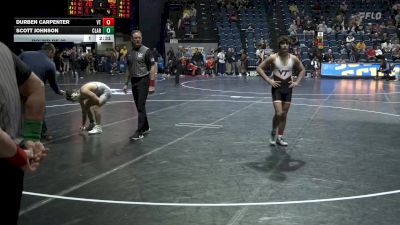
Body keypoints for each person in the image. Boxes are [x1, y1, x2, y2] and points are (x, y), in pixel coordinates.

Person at [0, 41, 47, 224]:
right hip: (13, 165)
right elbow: (37, 86)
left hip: (11, 155)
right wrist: (31, 139)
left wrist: (19, 155)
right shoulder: (3, 49)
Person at [256, 36, 306, 146]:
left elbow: (302, 70)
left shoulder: (293, 58)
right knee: (278, 113)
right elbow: (259, 68)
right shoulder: (273, 57)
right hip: (277, 88)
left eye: (286, 44)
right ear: (279, 45)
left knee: (284, 114)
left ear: (289, 45)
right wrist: (269, 80)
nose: (284, 45)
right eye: (282, 43)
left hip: (288, 89)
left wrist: (297, 82)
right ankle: (273, 132)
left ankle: (280, 137)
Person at [19, 43, 65, 141]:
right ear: (51, 52)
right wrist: (59, 92)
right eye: (53, 54)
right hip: (34, 91)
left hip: (18, 87)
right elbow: (53, 83)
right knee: (40, 111)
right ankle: (42, 134)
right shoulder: (50, 64)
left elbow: (13, 65)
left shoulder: (25, 54)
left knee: (18, 111)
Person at [123, 30, 156, 140]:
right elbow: (128, 69)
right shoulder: (129, 53)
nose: (137, 39)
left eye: (139, 38)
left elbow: (152, 67)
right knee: (138, 106)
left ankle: (140, 131)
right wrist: (125, 83)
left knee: (141, 106)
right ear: (132, 39)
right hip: (134, 81)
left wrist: (152, 84)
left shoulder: (146, 51)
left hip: (144, 80)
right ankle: (145, 127)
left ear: (141, 38)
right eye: (135, 38)